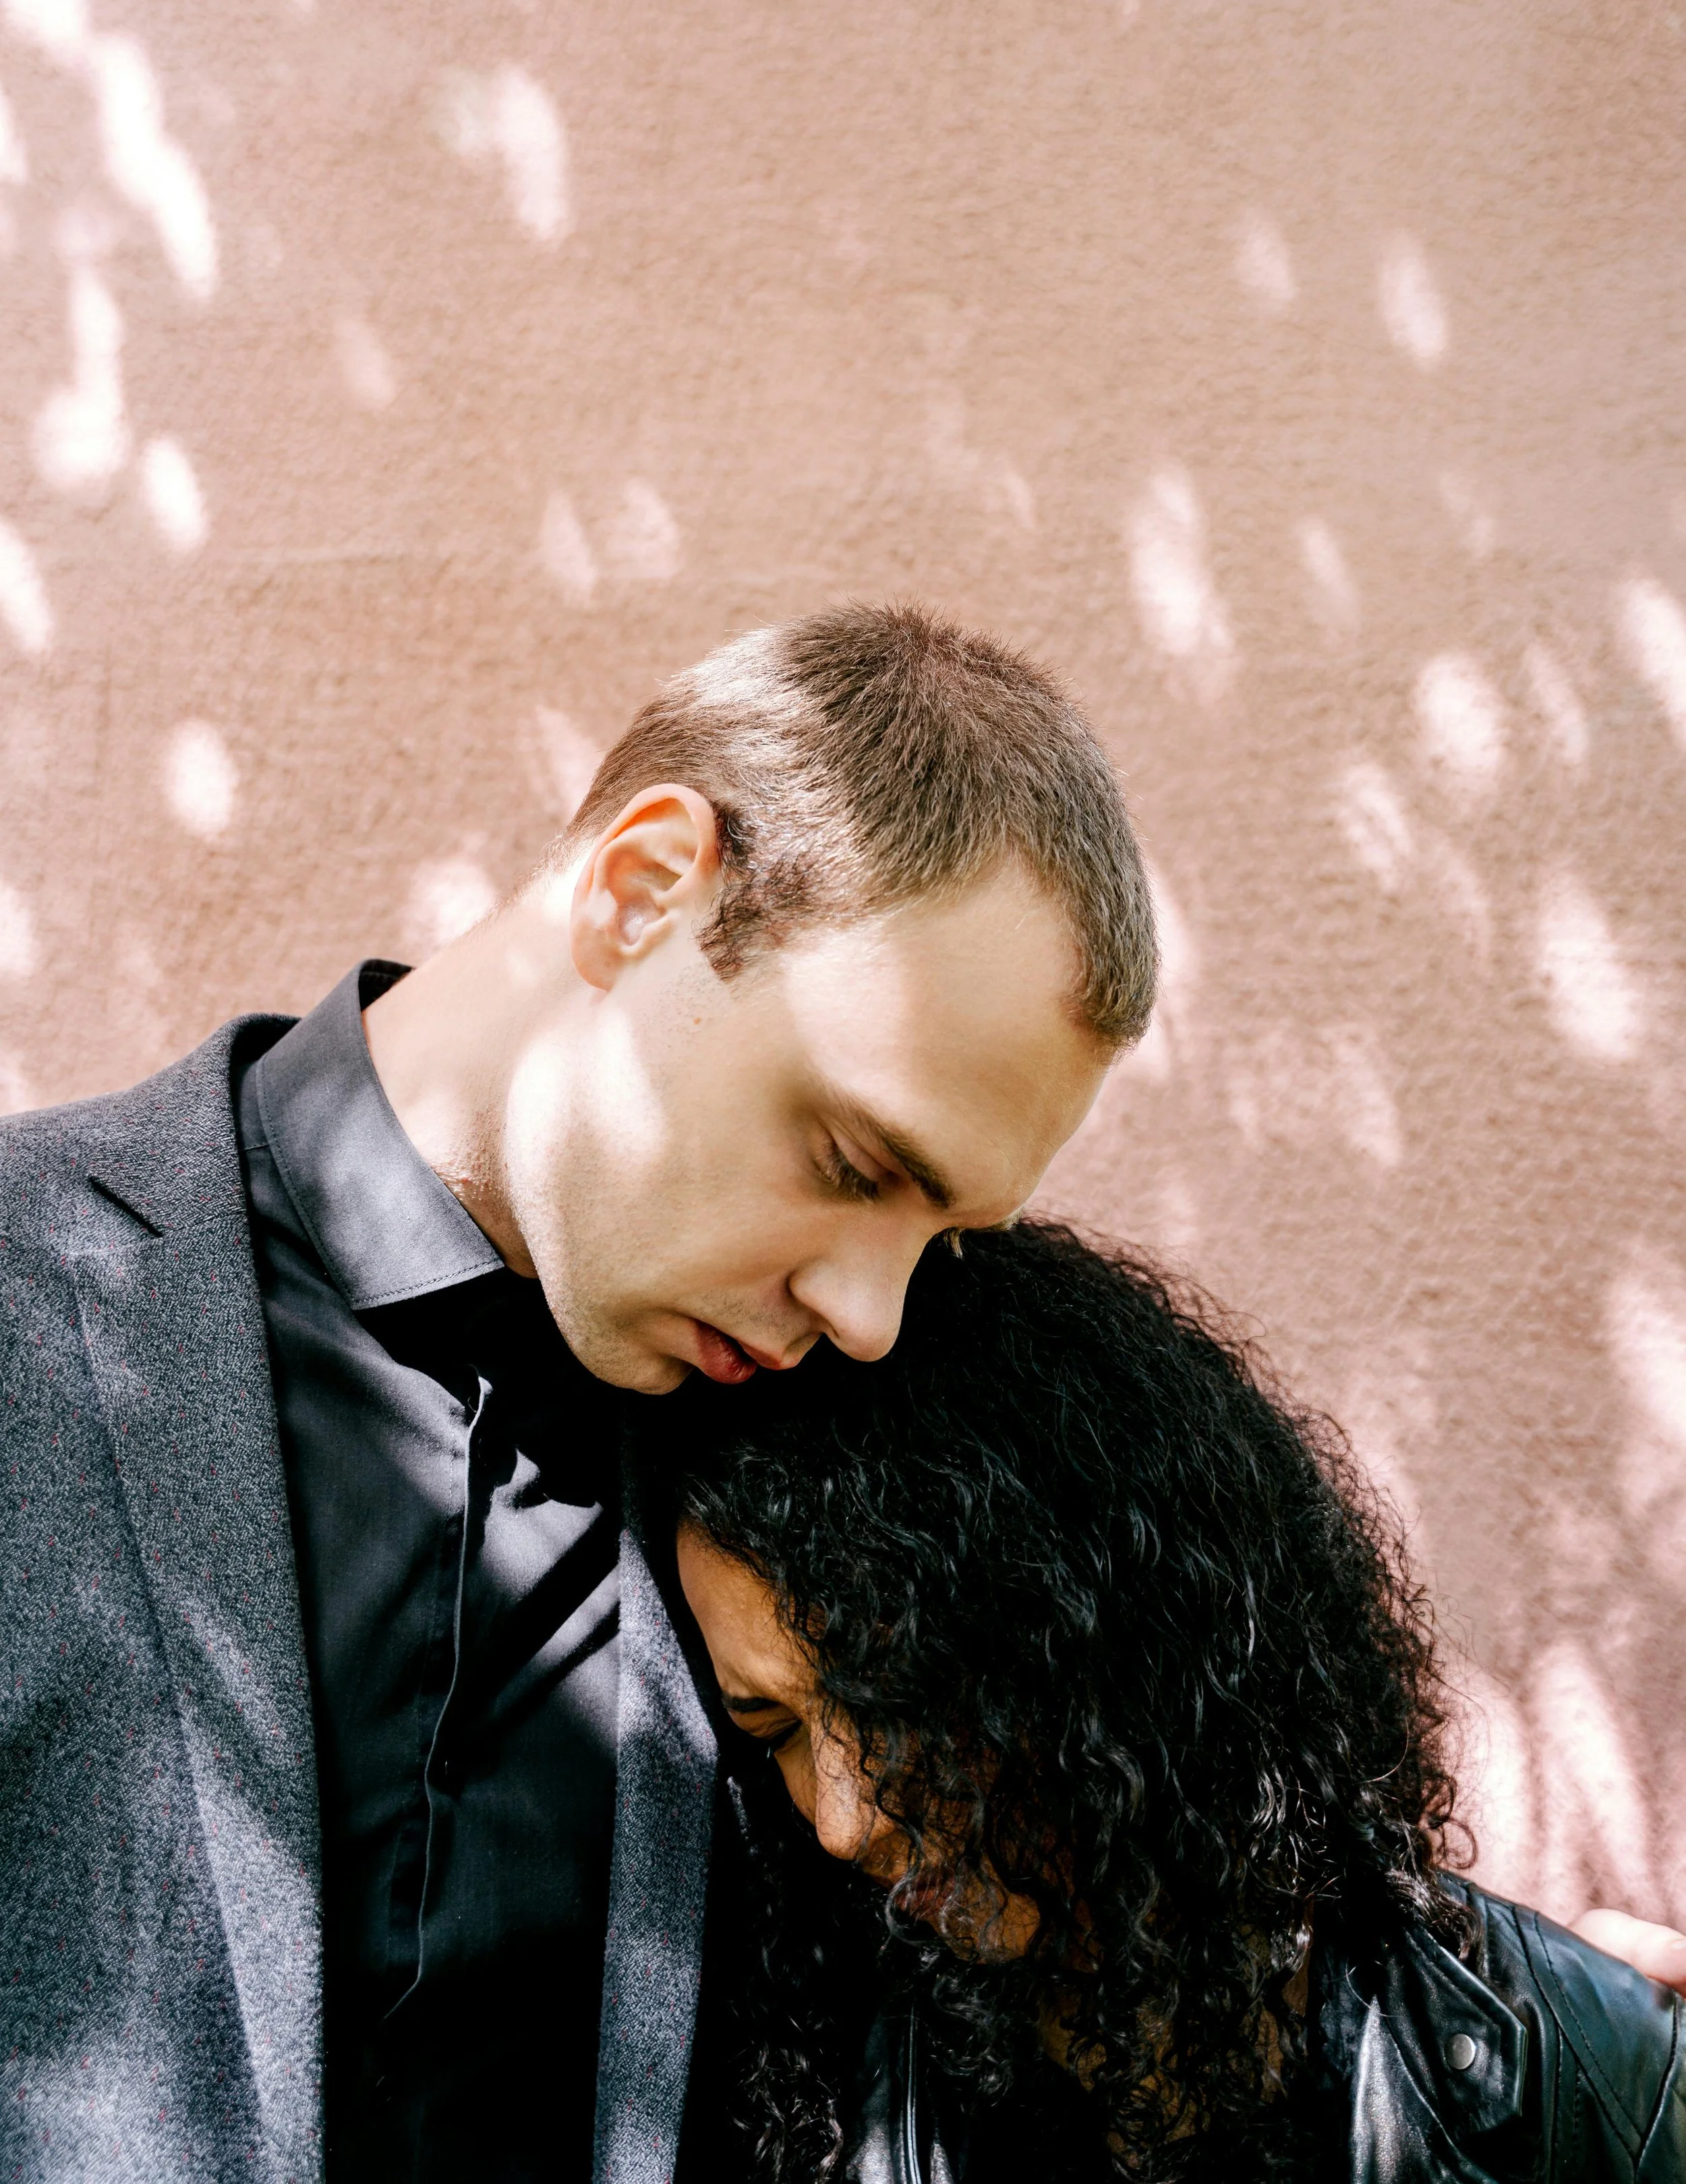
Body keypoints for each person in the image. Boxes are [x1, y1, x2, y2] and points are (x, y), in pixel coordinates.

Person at [0, 608, 1155, 2184]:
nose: (871, 1316)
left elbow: (1160, 1874)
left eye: (938, 1236)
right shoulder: (29, 1293)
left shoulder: (847, 1457)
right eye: (850, 1164)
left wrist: (1569, 2059)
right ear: (641, 889)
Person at [671, 1220, 1686, 2183]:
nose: (845, 1820)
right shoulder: (796, 2075)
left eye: (897, 1694)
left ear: (1107, 1639)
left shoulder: (1579, 2073)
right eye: (777, 1728)